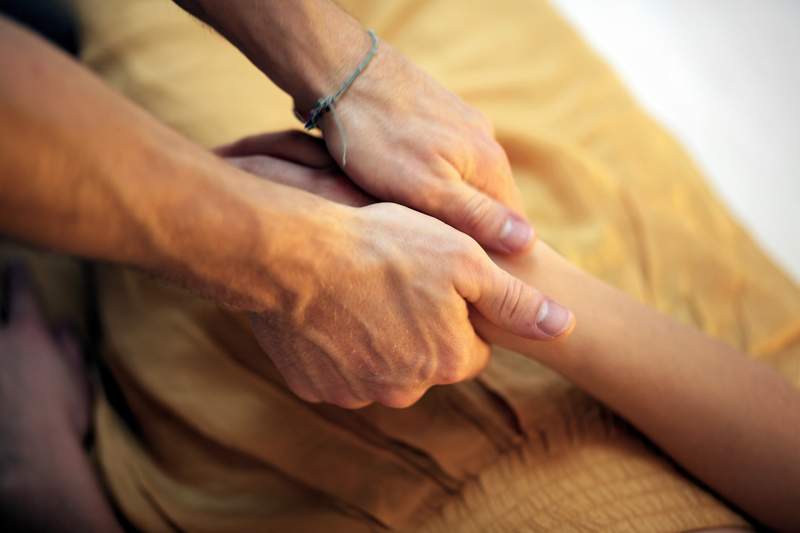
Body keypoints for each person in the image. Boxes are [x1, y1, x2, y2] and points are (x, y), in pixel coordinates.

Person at [2, 0, 799, 531]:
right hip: (642, 342)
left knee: (130, 43)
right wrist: (489, 266)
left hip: (267, 456)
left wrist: (58, 501)